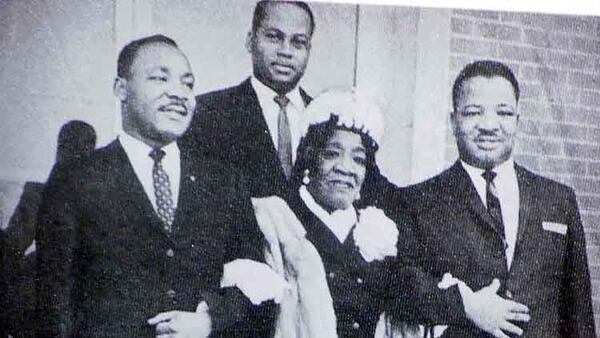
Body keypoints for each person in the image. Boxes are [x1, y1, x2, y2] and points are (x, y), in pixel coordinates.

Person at [36, 34, 274, 337]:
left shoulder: (225, 182)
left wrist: (211, 320)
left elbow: (256, 280)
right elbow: (53, 305)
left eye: (188, 83)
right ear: (121, 89)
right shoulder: (75, 179)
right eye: (160, 79)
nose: (179, 93)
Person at [391, 60, 596, 337]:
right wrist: (465, 305)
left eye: (504, 112)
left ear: (517, 121)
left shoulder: (558, 201)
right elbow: (400, 290)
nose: (489, 125)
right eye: (474, 113)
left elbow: (578, 314)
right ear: (453, 121)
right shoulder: (417, 201)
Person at [273, 89, 407, 336]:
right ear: (310, 158)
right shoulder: (281, 219)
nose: (346, 168)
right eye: (332, 154)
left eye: (358, 159)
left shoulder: (375, 228)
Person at [182, 0, 314, 198]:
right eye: (274, 37)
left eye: (298, 42)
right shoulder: (205, 112)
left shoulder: (329, 118)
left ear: (308, 50)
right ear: (250, 40)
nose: (286, 51)